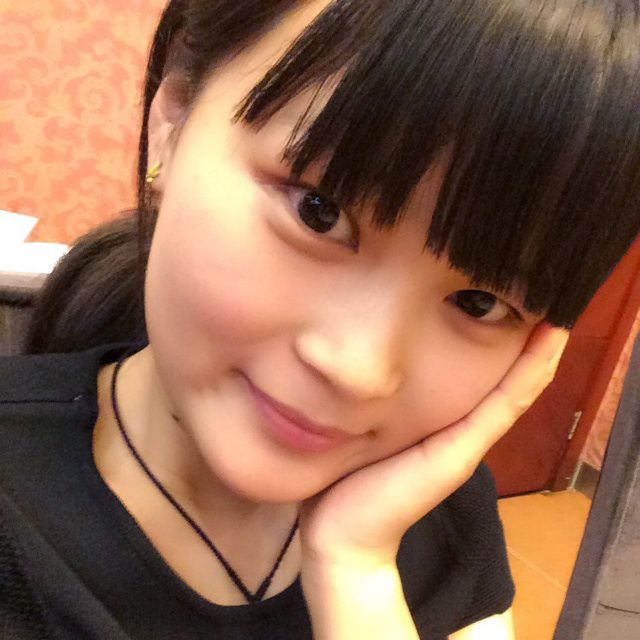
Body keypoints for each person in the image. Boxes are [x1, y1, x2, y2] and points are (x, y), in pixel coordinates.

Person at [1, 1, 639, 638]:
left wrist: (357, 574)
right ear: (173, 118)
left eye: (480, 302)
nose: (359, 370)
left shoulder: (444, 512)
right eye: (318, 212)